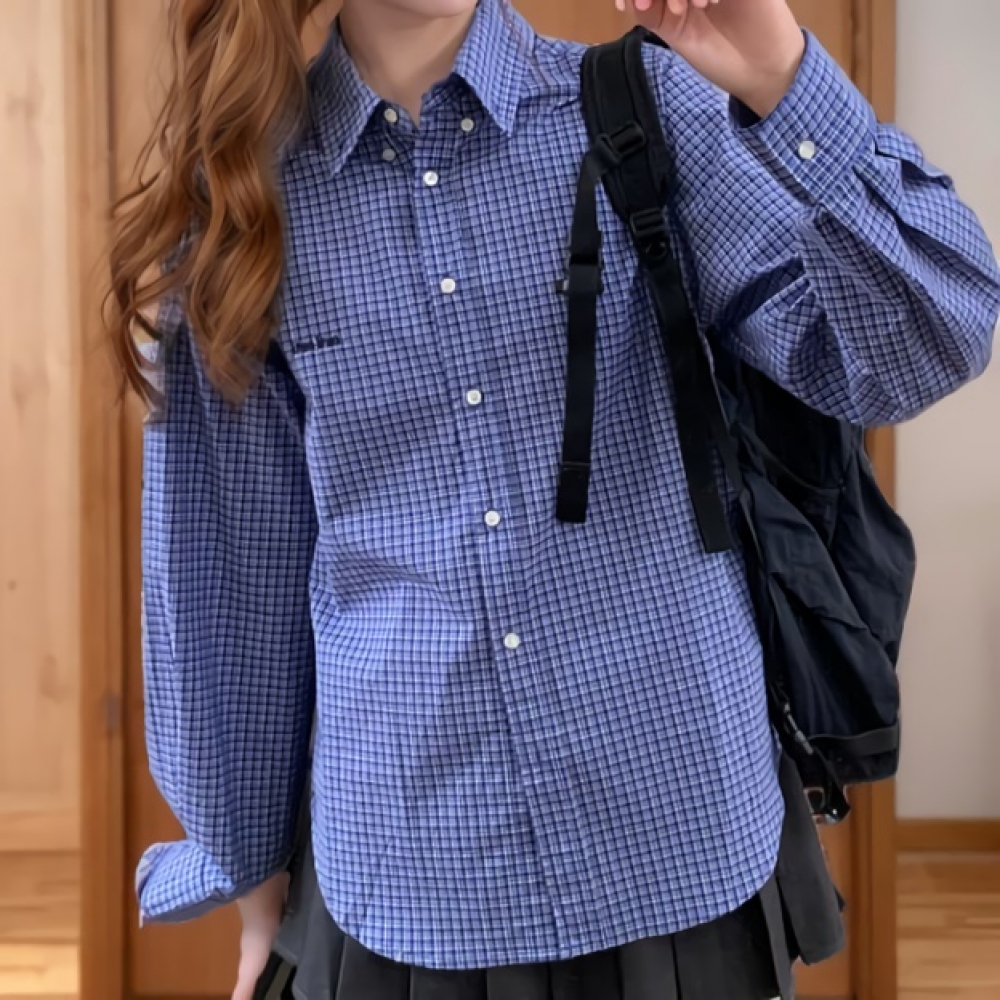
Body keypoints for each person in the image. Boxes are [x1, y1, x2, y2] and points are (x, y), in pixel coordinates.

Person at [108, 1, 1000, 998]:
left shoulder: (649, 110)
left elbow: (925, 346)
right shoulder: (246, 204)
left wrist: (781, 77)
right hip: (411, 879)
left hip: (679, 840)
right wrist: (245, 862)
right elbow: (229, 585)